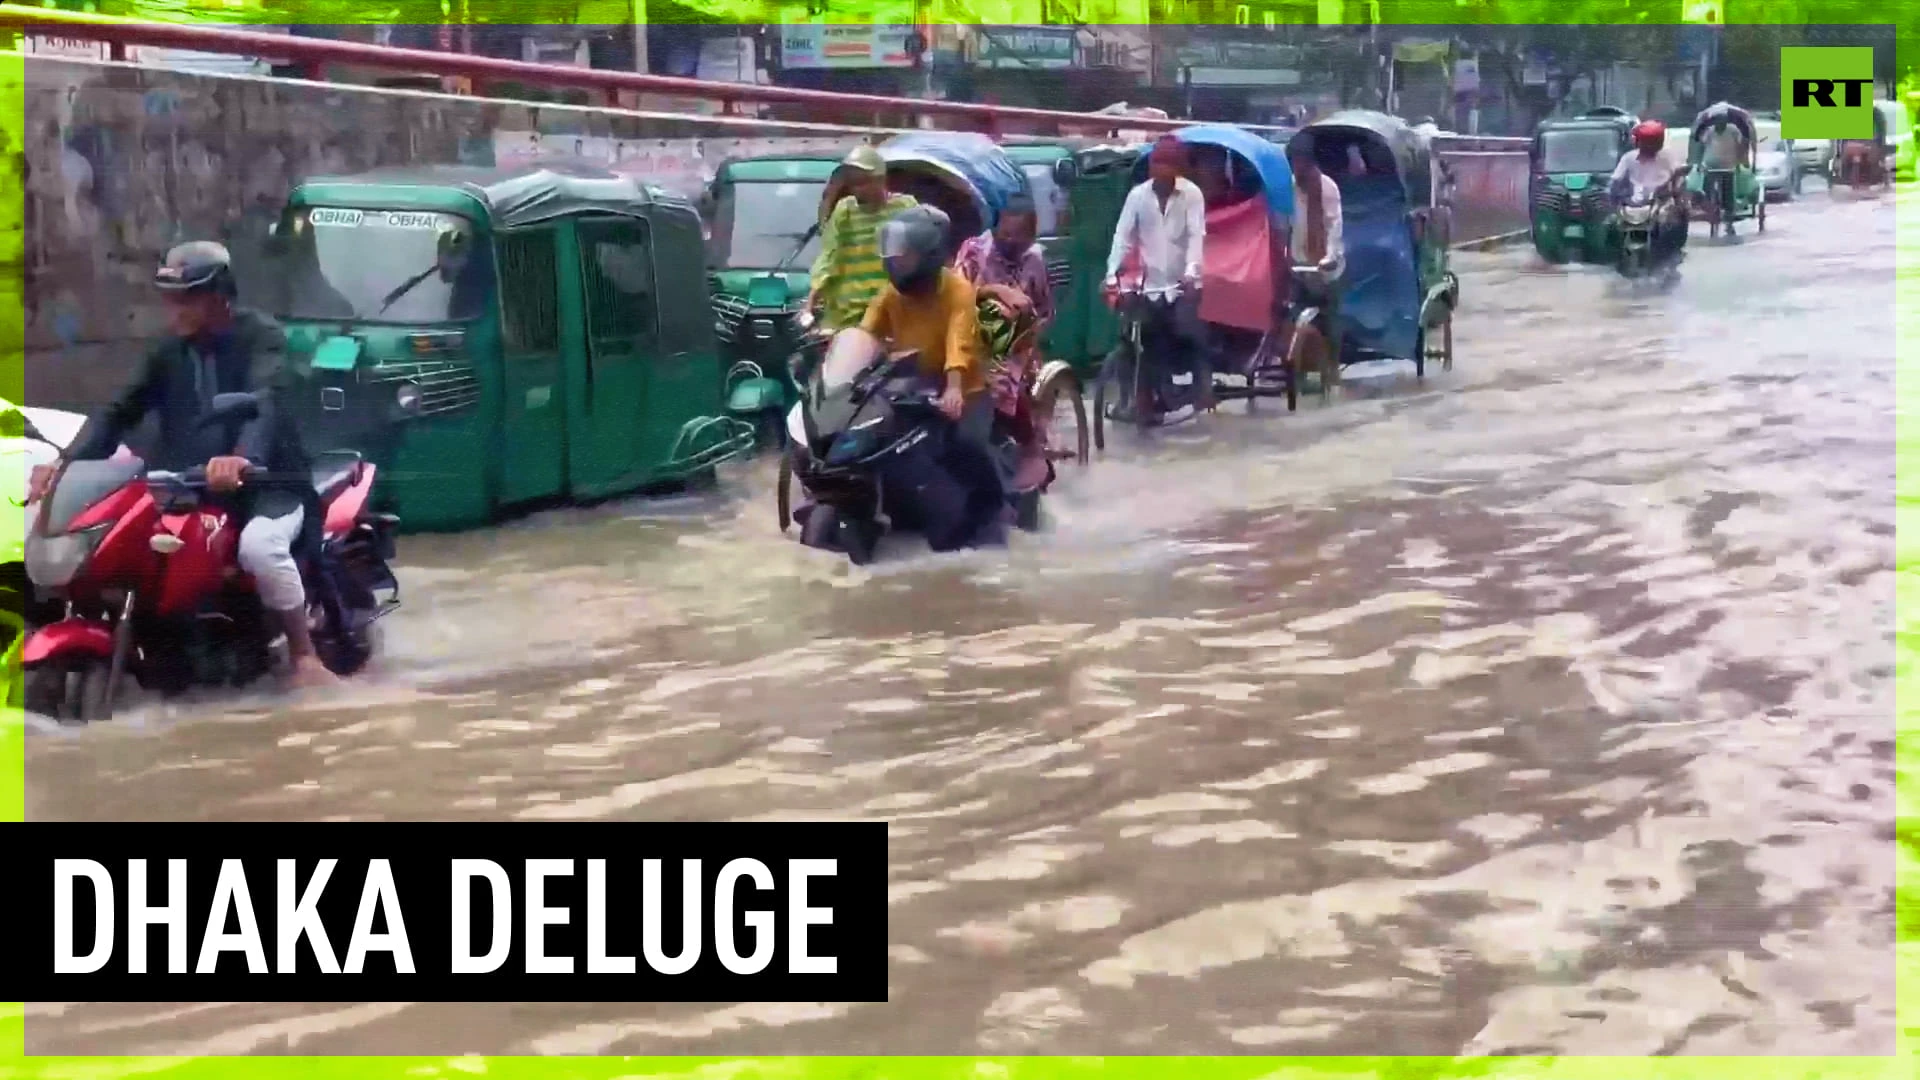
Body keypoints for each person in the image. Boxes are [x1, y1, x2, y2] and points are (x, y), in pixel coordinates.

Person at [27, 241, 336, 688]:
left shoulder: (261, 338)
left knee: (259, 548)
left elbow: (263, 403)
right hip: (189, 487)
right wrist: (64, 463)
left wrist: (242, 459)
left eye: (187, 298)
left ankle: (304, 656)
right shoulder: (167, 351)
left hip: (269, 485)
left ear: (219, 297)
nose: (175, 310)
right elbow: (118, 411)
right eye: (171, 299)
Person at [859, 205, 1002, 501]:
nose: (897, 261)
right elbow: (865, 332)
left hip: (966, 391)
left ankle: (992, 510)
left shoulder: (957, 291)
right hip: (911, 390)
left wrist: (954, 389)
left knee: (966, 446)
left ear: (928, 256)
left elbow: (958, 343)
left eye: (905, 255)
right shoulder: (891, 294)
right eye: (894, 254)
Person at [1103, 134, 1210, 416]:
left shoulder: (1191, 195)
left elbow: (1195, 237)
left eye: (1167, 166)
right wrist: (1111, 274)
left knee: (1186, 331)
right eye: (1156, 165)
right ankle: (1134, 398)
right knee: (1134, 337)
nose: (1161, 172)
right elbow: (1122, 237)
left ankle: (1200, 386)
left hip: (1182, 284)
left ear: (1178, 169)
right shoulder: (1138, 196)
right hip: (1150, 284)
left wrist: (1190, 274)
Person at [953, 193, 1054, 451]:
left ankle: (1030, 449)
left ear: (1031, 236)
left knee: (1011, 384)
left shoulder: (1034, 259)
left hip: (1017, 345)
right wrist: (995, 291)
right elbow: (956, 296)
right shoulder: (975, 252)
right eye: (1006, 234)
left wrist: (1028, 335)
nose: (1011, 241)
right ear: (996, 228)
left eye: (1020, 236)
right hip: (971, 336)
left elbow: (1044, 310)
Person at [807, 145, 917, 331]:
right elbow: (830, 254)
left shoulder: (905, 207)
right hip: (846, 316)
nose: (857, 189)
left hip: (890, 312)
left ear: (881, 179)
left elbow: (916, 256)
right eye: (853, 183)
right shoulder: (845, 210)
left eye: (863, 182)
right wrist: (813, 296)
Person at [1285, 131, 1345, 385]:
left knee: (1330, 319)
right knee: (1289, 315)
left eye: (1303, 163)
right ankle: (1294, 366)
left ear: (1311, 163)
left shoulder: (1328, 188)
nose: (1299, 169)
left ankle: (1332, 366)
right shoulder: (1287, 187)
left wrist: (1330, 256)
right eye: (1295, 163)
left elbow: (1334, 226)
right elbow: (1283, 223)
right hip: (1298, 264)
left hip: (1327, 266)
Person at [1609, 119, 1685, 264]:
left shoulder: (1668, 157)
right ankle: (1615, 259)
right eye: (1644, 142)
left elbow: (1678, 174)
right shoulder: (1628, 158)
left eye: (1650, 142)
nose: (1646, 146)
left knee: (1672, 222)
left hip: (1661, 200)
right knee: (1612, 225)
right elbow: (1616, 179)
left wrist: (1676, 189)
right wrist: (1613, 195)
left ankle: (1672, 254)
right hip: (1634, 202)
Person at [1700, 112, 1748, 230]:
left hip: (1728, 166)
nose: (1718, 125)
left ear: (1726, 122)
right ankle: (1709, 206)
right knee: (1707, 187)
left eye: (1721, 122)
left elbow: (1740, 144)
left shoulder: (1733, 130)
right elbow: (1703, 143)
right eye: (1716, 122)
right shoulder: (1710, 131)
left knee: (1728, 192)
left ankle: (1728, 215)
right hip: (1711, 165)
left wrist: (1740, 160)